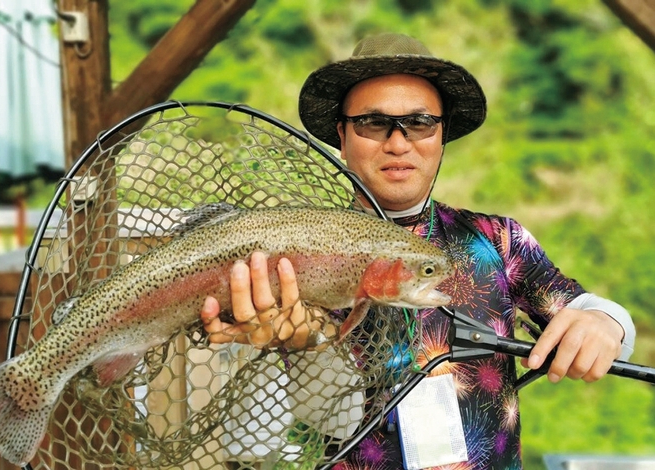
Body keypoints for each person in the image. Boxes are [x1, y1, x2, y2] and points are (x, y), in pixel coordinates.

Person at [200, 33, 636, 469]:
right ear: (342, 135)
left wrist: (605, 323)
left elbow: (590, 310)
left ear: (441, 134)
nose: (397, 143)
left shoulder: (498, 240)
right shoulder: (288, 254)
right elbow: (268, 433)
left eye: (420, 122)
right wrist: (300, 346)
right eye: (372, 122)